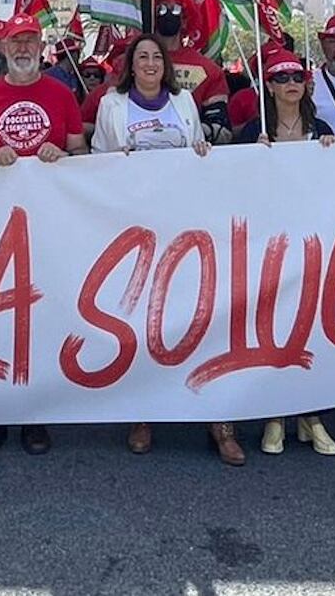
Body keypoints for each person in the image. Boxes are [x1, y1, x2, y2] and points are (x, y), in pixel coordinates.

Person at [72, 33, 239, 464]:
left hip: (185, 224)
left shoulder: (184, 103)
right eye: (141, 57)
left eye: (155, 57)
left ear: (165, 65)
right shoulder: (111, 104)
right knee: (144, 320)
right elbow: (97, 160)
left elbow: (194, 151)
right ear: (131, 66)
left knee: (200, 315)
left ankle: (217, 420)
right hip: (136, 227)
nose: (149, 63)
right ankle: (142, 414)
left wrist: (201, 150)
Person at [234, 46, 335, 455]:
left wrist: (334, 150)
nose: (290, 85)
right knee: (273, 326)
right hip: (267, 242)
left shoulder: (323, 126)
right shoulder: (252, 129)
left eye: (296, 78)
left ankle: (311, 415)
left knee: (310, 325)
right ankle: (276, 415)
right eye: (281, 79)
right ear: (269, 87)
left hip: (314, 239)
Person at [0, 21, 81, 168]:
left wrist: (64, 155)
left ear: (41, 48)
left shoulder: (63, 94)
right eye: (15, 41)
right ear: (4, 48)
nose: (22, 49)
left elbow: (80, 151)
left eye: (30, 41)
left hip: (49, 189)